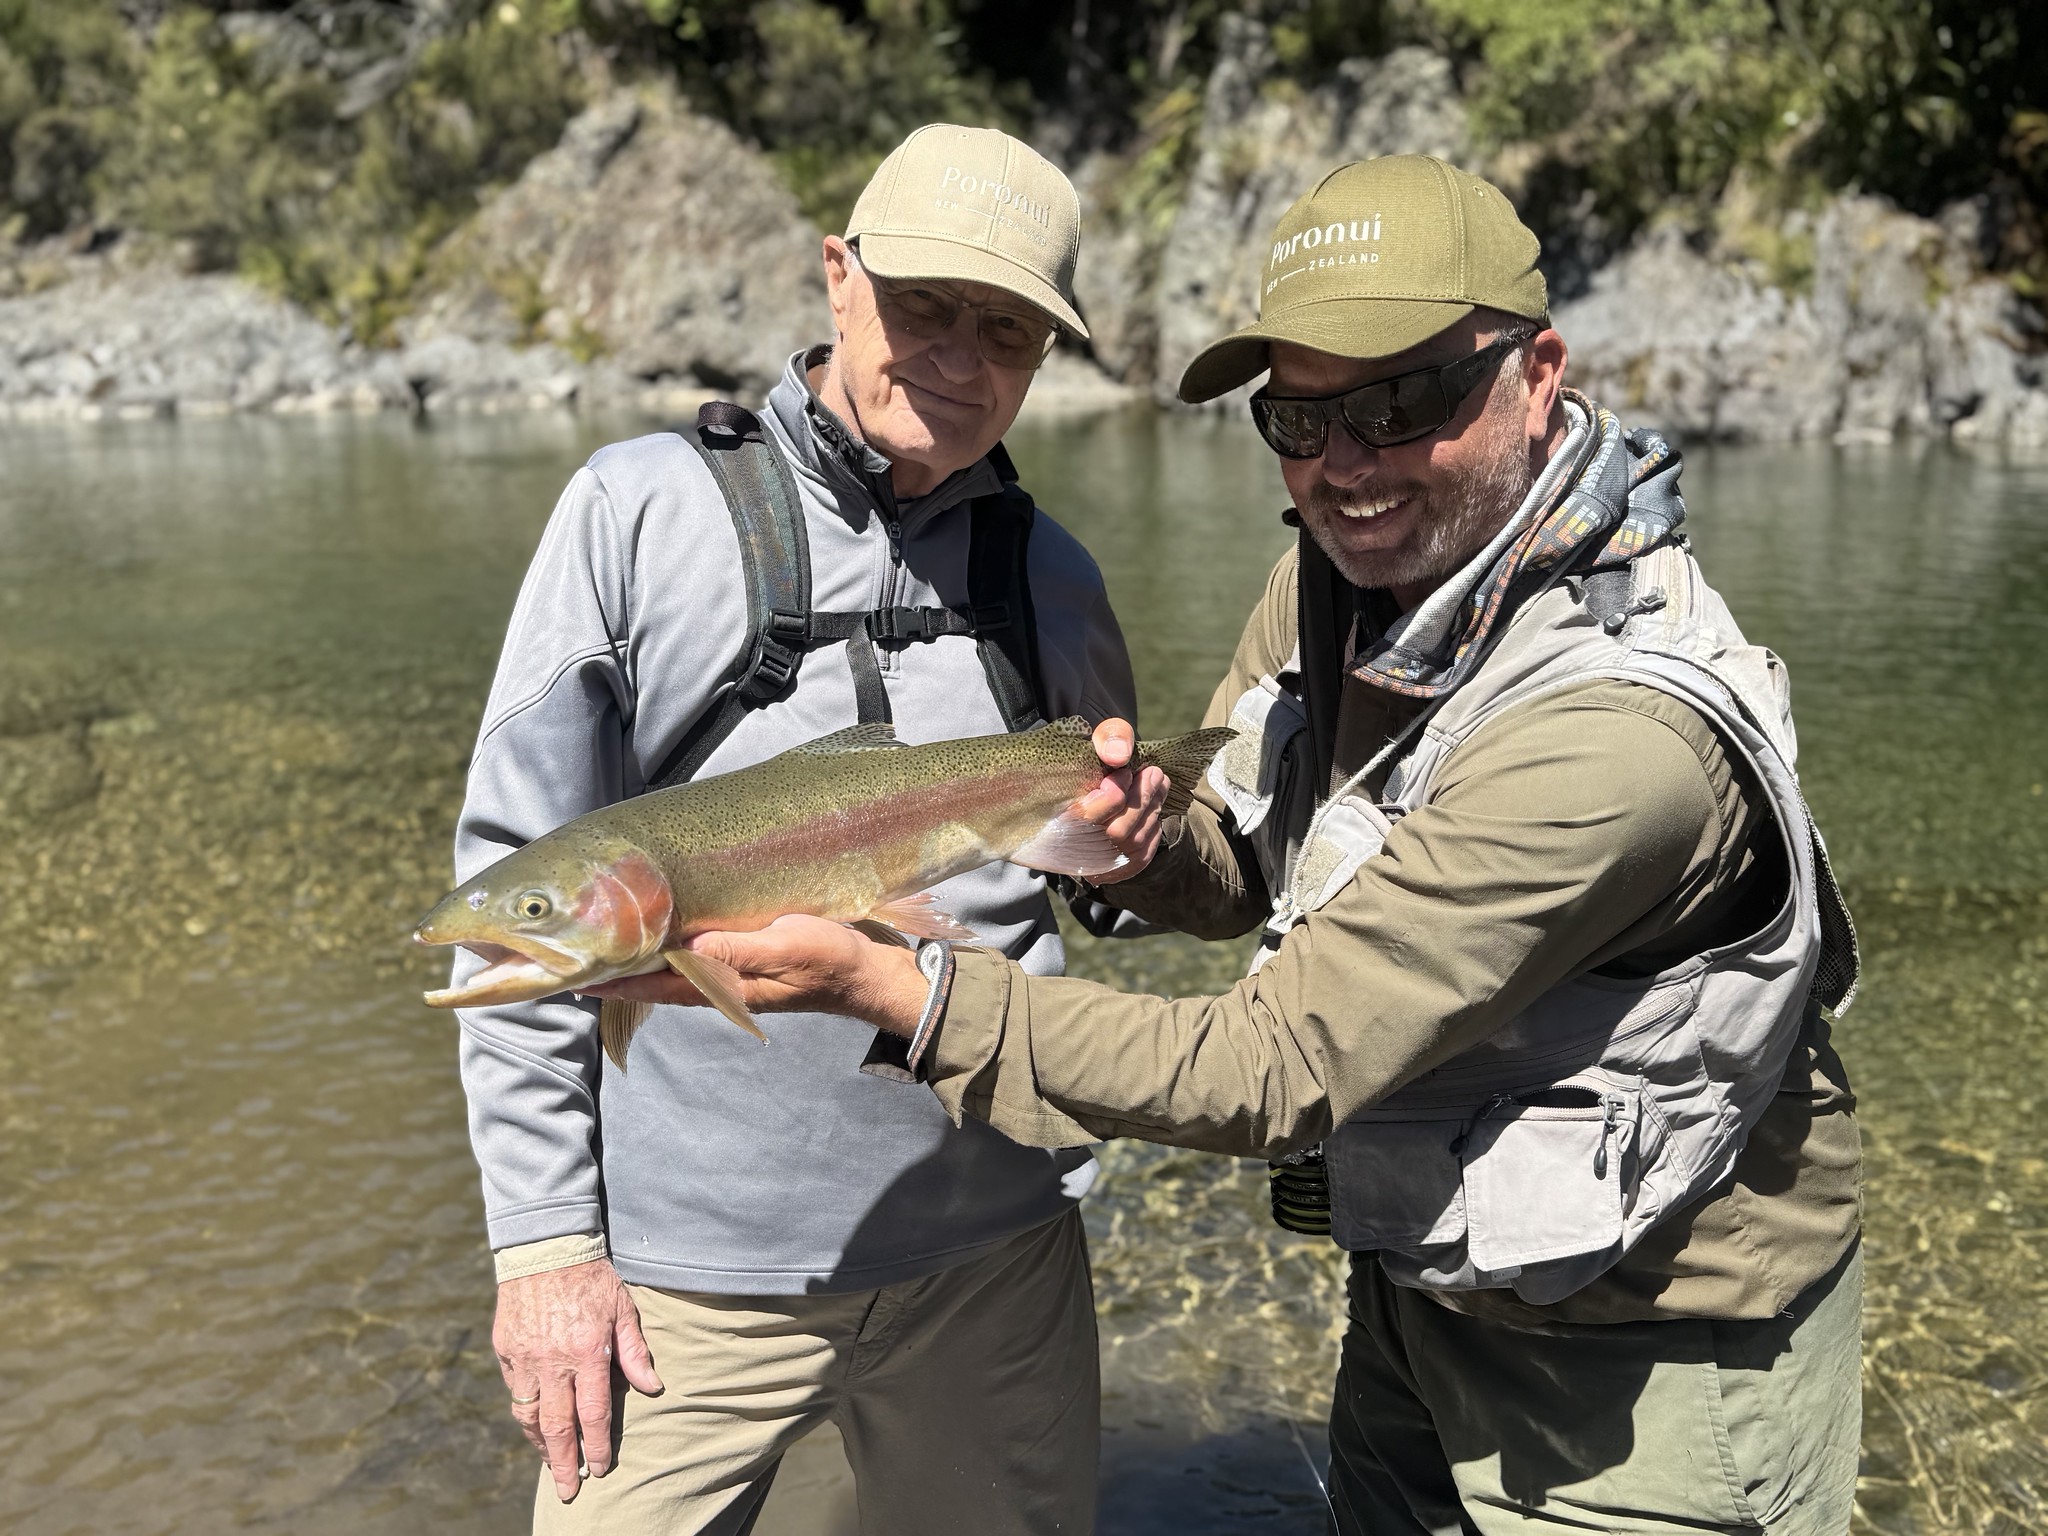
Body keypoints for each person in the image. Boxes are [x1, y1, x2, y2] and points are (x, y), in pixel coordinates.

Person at [600, 155, 1867, 1534]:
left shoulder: (1616, 742)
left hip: (1653, 1364)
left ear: (1537, 370)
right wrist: (1135, 845)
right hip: (1426, 1293)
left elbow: (1270, 1069)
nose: (1346, 465)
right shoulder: (1342, 581)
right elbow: (1246, 873)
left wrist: (893, 988)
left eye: (1403, 399)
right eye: (1298, 417)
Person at [455, 124, 1140, 1535]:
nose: (960, 355)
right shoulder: (633, 513)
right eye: (926, 306)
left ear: (1044, 359)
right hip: (681, 1284)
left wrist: (1149, 846)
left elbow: (1108, 874)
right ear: (838, 276)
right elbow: (514, 899)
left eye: (1005, 330)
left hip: (996, 1263)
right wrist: (545, 1252)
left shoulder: (1049, 572)